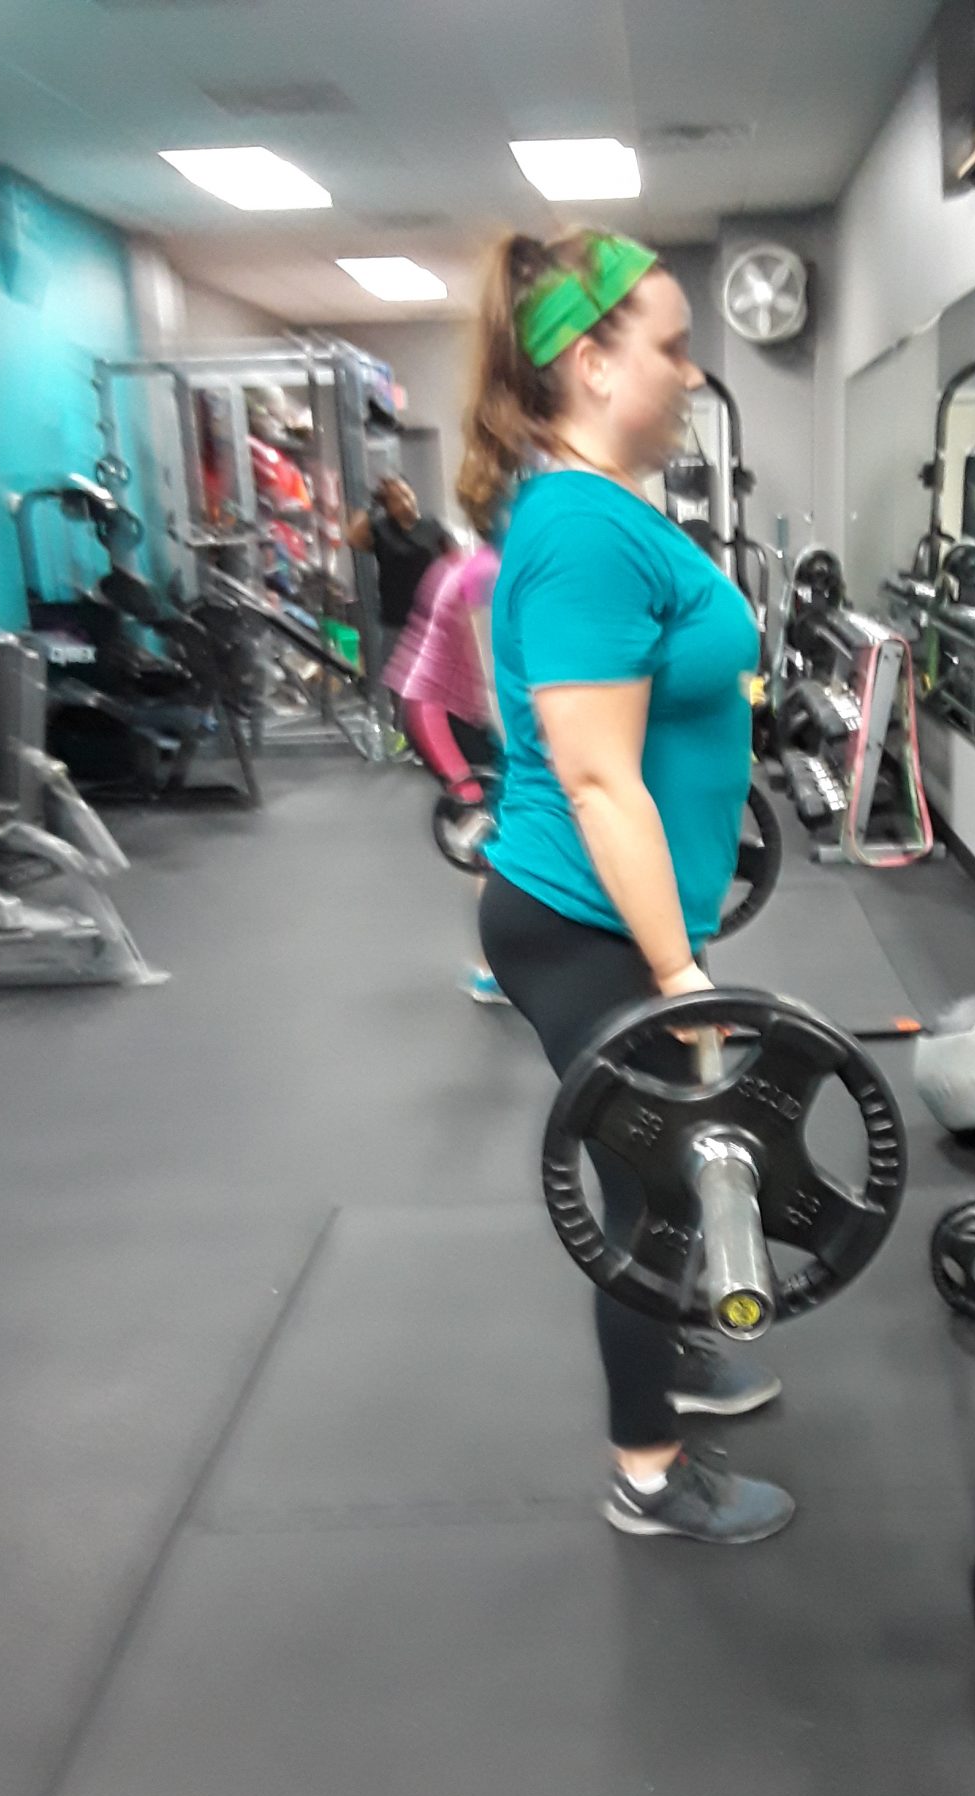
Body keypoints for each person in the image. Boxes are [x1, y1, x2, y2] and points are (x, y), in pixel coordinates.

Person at [458, 228, 793, 1547]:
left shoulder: (605, 512)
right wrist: (680, 978)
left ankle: (669, 1356)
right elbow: (598, 782)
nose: (692, 372)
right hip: (582, 923)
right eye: (672, 346)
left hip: (615, 916)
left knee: (672, 1169)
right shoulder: (584, 533)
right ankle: (648, 1473)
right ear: (593, 364)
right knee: (656, 1191)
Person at [386, 543, 508, 1004]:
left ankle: (501, 962)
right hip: (437, 715)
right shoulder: (485, 571)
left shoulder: (474, 562)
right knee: (489, 841)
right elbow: (493, 670)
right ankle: (488, 971)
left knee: (497, 832)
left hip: (454, 710)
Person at [348, 476, 455, 666]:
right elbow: (354, 538)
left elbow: (456, 563)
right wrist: (372, 505)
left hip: (432, 623)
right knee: (399, 679)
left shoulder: (432, 526)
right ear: (388, 507)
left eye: (406, 494)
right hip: (397, 626)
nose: (405, 502)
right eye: (396, 500)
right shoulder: (382, 530)